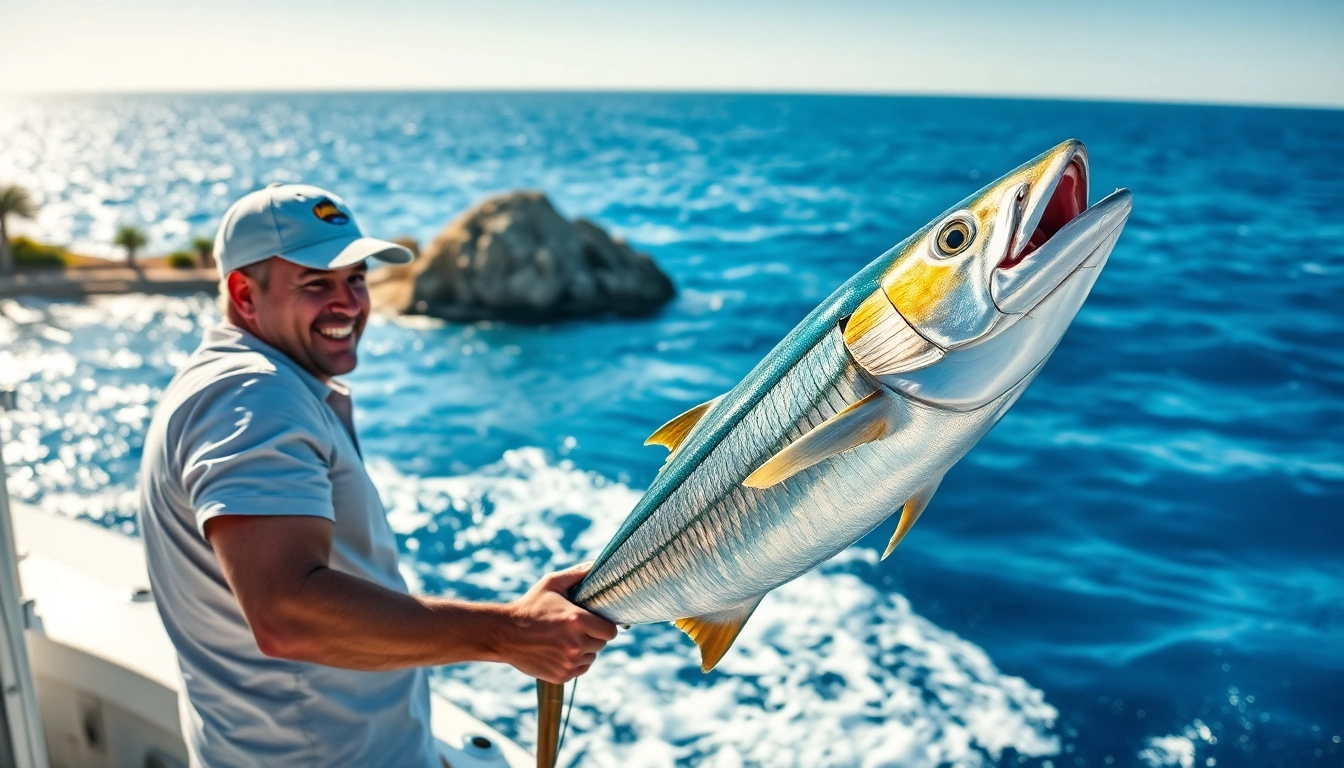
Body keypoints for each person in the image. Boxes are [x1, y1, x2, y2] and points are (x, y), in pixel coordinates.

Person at [137, 183, 617, 767]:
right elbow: (286, 612)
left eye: (356, 279)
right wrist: (510, 632)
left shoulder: (248, 382)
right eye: (316, 285)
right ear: (244, 294)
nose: (349, 305)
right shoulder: (254, 395)